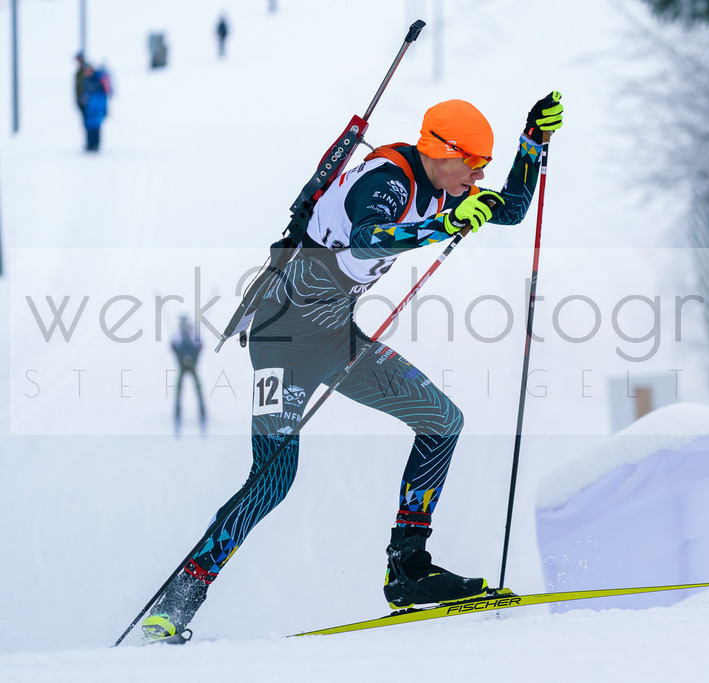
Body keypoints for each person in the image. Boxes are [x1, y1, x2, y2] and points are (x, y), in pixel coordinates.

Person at [140, 93, 564, 642]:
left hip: (334, 339)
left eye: (484, 165)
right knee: (273, 478)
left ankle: (408, 568)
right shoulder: (387, 180)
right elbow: (369, 236)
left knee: (441, 420)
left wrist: (533, 143)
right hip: (280, 337)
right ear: (441, 150)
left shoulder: (443, 186)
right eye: (473, 163)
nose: (478, 174)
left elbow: (509, 208)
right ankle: (178, 599)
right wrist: (444, 225)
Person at [171, 316, 208, 437]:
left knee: (197, 388)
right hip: (183, 364)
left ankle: (202, 411)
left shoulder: (193, 335)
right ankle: (177, 411)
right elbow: (173, 346)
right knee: (179, 389)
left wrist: (193, 358)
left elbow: (200, 346)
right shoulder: (178, 335)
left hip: (192, 365)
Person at [78, 64, 109, 152]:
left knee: (96, 126)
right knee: (89, 127)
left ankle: (95, 145)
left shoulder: (96, 81)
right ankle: (90, 144)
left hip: (96, 108)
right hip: (90, 108)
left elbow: (101, 97)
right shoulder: (87, 81)